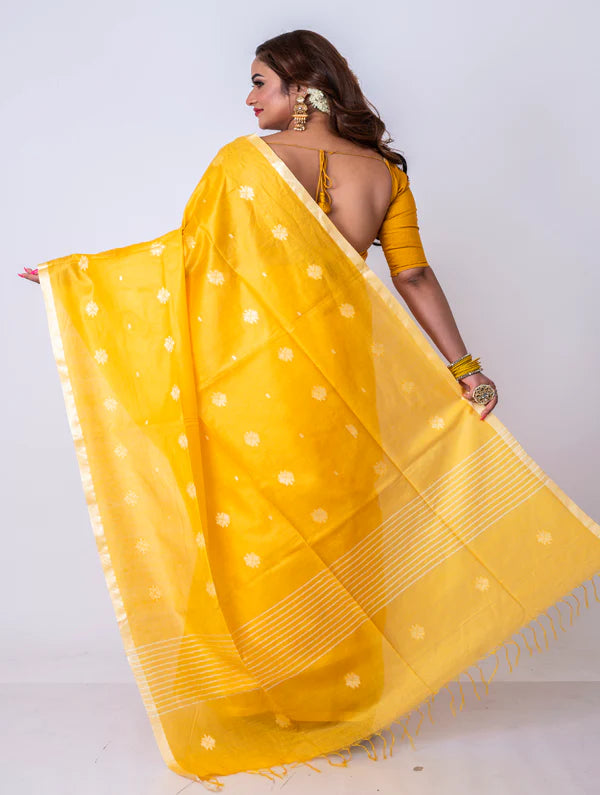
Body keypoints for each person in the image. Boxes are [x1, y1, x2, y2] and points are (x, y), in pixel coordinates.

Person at [16, 29, 600, 791]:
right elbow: (414, 275)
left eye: (261, 82)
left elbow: (188, 260)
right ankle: (344, 702)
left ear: (304, 89)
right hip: (346, 381)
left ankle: (270, 700)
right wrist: (468, 370)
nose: (249, 98)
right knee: (342, 529)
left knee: (259, 531)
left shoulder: (243, 163)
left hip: (256, 383)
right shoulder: (384, 174)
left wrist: (80, 281)